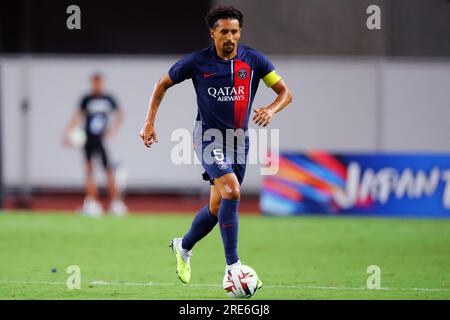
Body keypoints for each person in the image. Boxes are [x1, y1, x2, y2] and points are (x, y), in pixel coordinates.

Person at [139, 5, 293, 285]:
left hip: (239, 141)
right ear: (213, 33)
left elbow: (285, 93)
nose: (230, 37)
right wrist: (149, 122)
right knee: (232, 191)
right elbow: (161, 85)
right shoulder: (198, 63)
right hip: (207, 137)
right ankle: (233, 267)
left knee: (216, 207)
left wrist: (271, 109)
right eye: (224, 32)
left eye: (234, 31)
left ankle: (183, 246)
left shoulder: (255, 61)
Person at [63, 73, 128, 217]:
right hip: (88, 138)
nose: (97, 85)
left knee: (108, 171)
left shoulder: (108, 99)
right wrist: (68, 133)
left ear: (103, 83)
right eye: (95, 82)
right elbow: (78, 116)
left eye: (99, 82)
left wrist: (113, 130)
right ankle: (92, 203)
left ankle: (116, 204)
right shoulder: (87, 99)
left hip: (102, 139)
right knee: (89, 170)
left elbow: (120, 114)